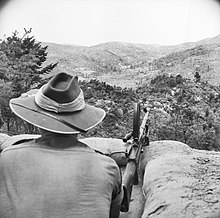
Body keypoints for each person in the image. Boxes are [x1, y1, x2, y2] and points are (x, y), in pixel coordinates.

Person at [0, 72, 123, 218]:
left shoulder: (6, 159)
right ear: (80, 119)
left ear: (38, 120)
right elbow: (113, 214)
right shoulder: (107, 167)